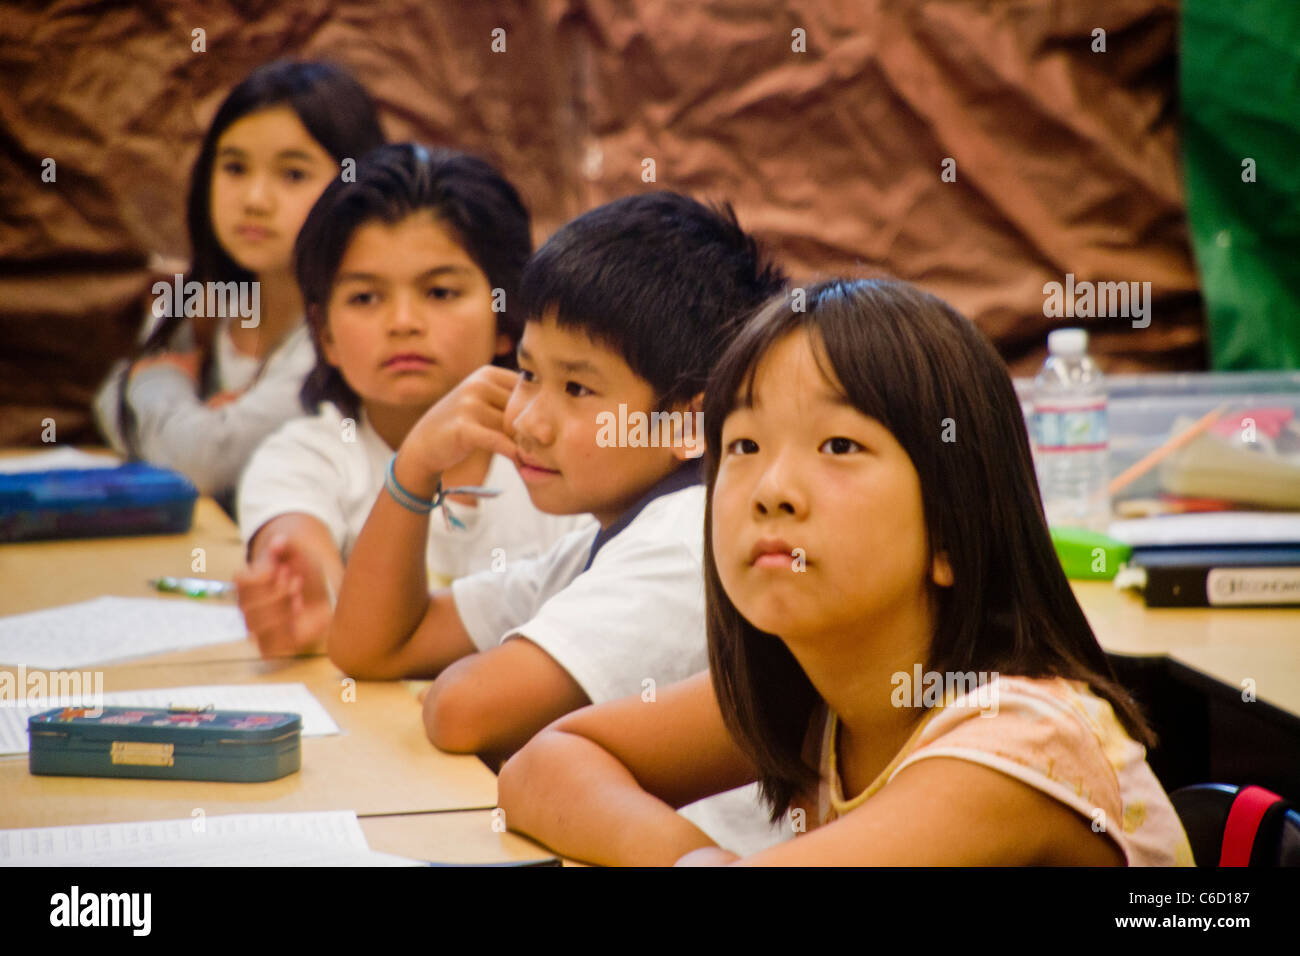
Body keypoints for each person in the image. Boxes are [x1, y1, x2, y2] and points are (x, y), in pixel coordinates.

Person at [497, 278, 1195, 866]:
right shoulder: (815, 683)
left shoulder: (1017, 738)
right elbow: (543, 763)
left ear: (952, 530)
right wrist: (695, 859)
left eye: (838, 444)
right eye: (743, 444)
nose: (773, 488)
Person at [329, 191, 789, 853]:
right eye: (526, 373)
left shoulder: (688, 536)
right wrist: (415, 466)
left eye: (577, 389)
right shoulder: (609, 531)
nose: (526, 420)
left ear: (689, 422)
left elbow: (465, 710)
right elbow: (374, 645)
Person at [235, 144, 590, 658]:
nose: (403, 322)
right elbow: (295, 542)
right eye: (365, 298)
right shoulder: (306, 455)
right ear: (324, 332)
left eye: (440, 292)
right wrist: (305, 591)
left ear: (506, 316)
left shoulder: (574, 456)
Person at [93, 60, 384, 508]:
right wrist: (192, 424)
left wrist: (162, 385)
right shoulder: (203, 304)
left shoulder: (346, 330)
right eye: (234, 168)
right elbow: (108, 401)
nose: (254, 200)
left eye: (292, 174)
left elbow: (204, 464)